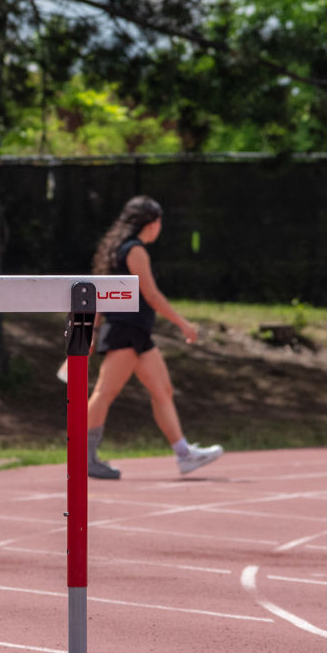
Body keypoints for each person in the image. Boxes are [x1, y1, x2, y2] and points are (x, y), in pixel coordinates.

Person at [85, 196, 223, 478]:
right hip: (126, 330)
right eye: (159, 221)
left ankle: (184, 454)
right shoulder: (134, 251)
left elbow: (101, 294)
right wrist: (182, 323)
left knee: (163, 391)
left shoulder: (118, 250)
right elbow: (150, 294)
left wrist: (94, 329)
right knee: (104, 393)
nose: (160, 226)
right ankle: (83, 456)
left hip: (136, 332)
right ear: (151, 223)